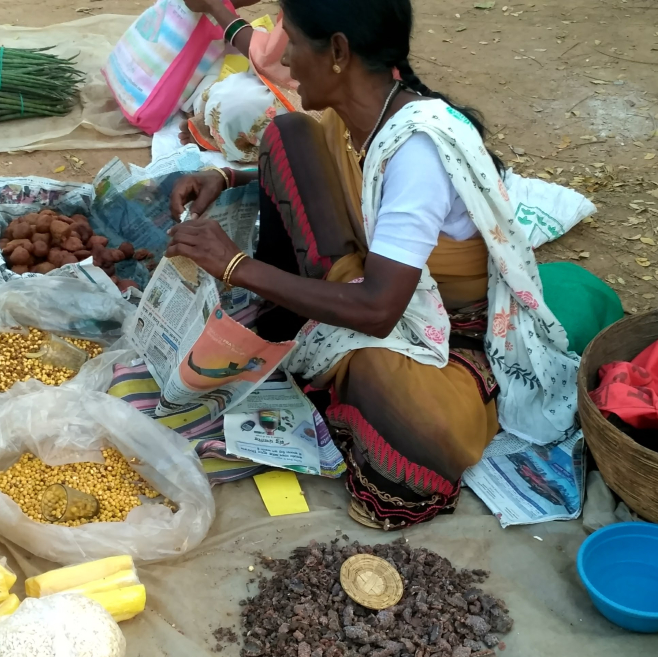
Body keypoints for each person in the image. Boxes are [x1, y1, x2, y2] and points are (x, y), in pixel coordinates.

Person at [165, 0, 599, 529]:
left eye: (295, 44)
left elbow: (379, 311)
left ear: (340, 52)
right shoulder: (361, 114)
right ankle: (281, 317)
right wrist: (230, 180)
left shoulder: (418, 151)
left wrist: (234, 266)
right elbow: (339, 173)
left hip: (438, 326)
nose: (288, 61)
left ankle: (298, 323)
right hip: (377, 280)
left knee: (407, 416)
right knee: (289, 137)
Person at [178, 0, 306, 162]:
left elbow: (269, 57)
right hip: (286, 67)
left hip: (311, 90)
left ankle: (214, 131)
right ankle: (210, 120)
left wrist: (215, 7)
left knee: (233, 105)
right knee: (221, 53)